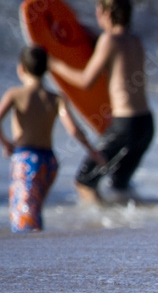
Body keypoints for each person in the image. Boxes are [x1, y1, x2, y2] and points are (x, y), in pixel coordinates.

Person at [48, 0, 154, 204]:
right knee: (119, 184)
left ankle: (100, 228)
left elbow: (86, 81)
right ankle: (130, 223)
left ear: (106, 12)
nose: (96, 14)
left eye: (98, 10)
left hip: (125, 125)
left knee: (85, 182)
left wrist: (54, 64)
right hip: (145, 124)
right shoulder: (135, 40)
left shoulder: (108, 41)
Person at [1, 47, 103, 232]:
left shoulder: (16, 94)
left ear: (21, 69)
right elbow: (73, 129)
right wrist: (92, 151)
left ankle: (30, 256)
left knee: (23, 217)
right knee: (34, 211)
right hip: (49, 162)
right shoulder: (56, 98)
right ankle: (38, 252)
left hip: (26, 160)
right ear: (47, 69)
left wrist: (6, 143)